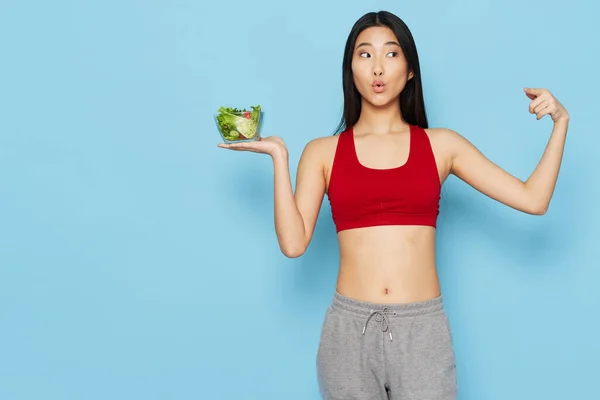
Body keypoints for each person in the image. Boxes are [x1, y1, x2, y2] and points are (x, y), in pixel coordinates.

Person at [217, 10, 569, 400]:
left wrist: (561, 123)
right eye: (365, 55)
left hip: (422, 332)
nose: (378, 67)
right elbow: (294, 244)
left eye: (391, 53)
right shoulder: (322, 152)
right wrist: (279, 158)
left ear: (410, 70)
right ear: (350, 69)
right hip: (347, 334)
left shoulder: (442, 146)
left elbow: (533, 200)